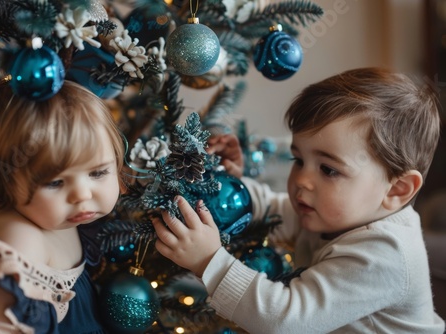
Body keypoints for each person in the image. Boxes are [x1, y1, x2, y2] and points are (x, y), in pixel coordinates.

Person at [152, 68, 446, 333]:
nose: (302, 180)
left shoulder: (385, 254)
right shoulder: (330, 211)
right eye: (298, 159)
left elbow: (284, 319)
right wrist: (229, 184)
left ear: (397, 190)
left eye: (328, 169)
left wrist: (209, 261)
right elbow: (269, 209)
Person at [0, 80, 124, 333]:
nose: (82, 195)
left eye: (98, 172)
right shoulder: (18, 240)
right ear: (5, 179)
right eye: (55, 182)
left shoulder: (57, 216)